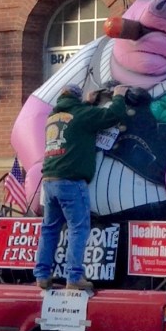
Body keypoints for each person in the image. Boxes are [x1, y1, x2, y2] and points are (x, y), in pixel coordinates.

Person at [33, 83, 129, 290]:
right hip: (71, 180)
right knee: (78, 228)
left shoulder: (53, 117)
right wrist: (119, 96)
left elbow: (72, 118)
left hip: (49, 181)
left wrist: (85, 103)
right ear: (78, 98)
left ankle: (42, 275)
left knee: (50, 229)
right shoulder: (82, 115)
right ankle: (74, 276)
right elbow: (112, 116)